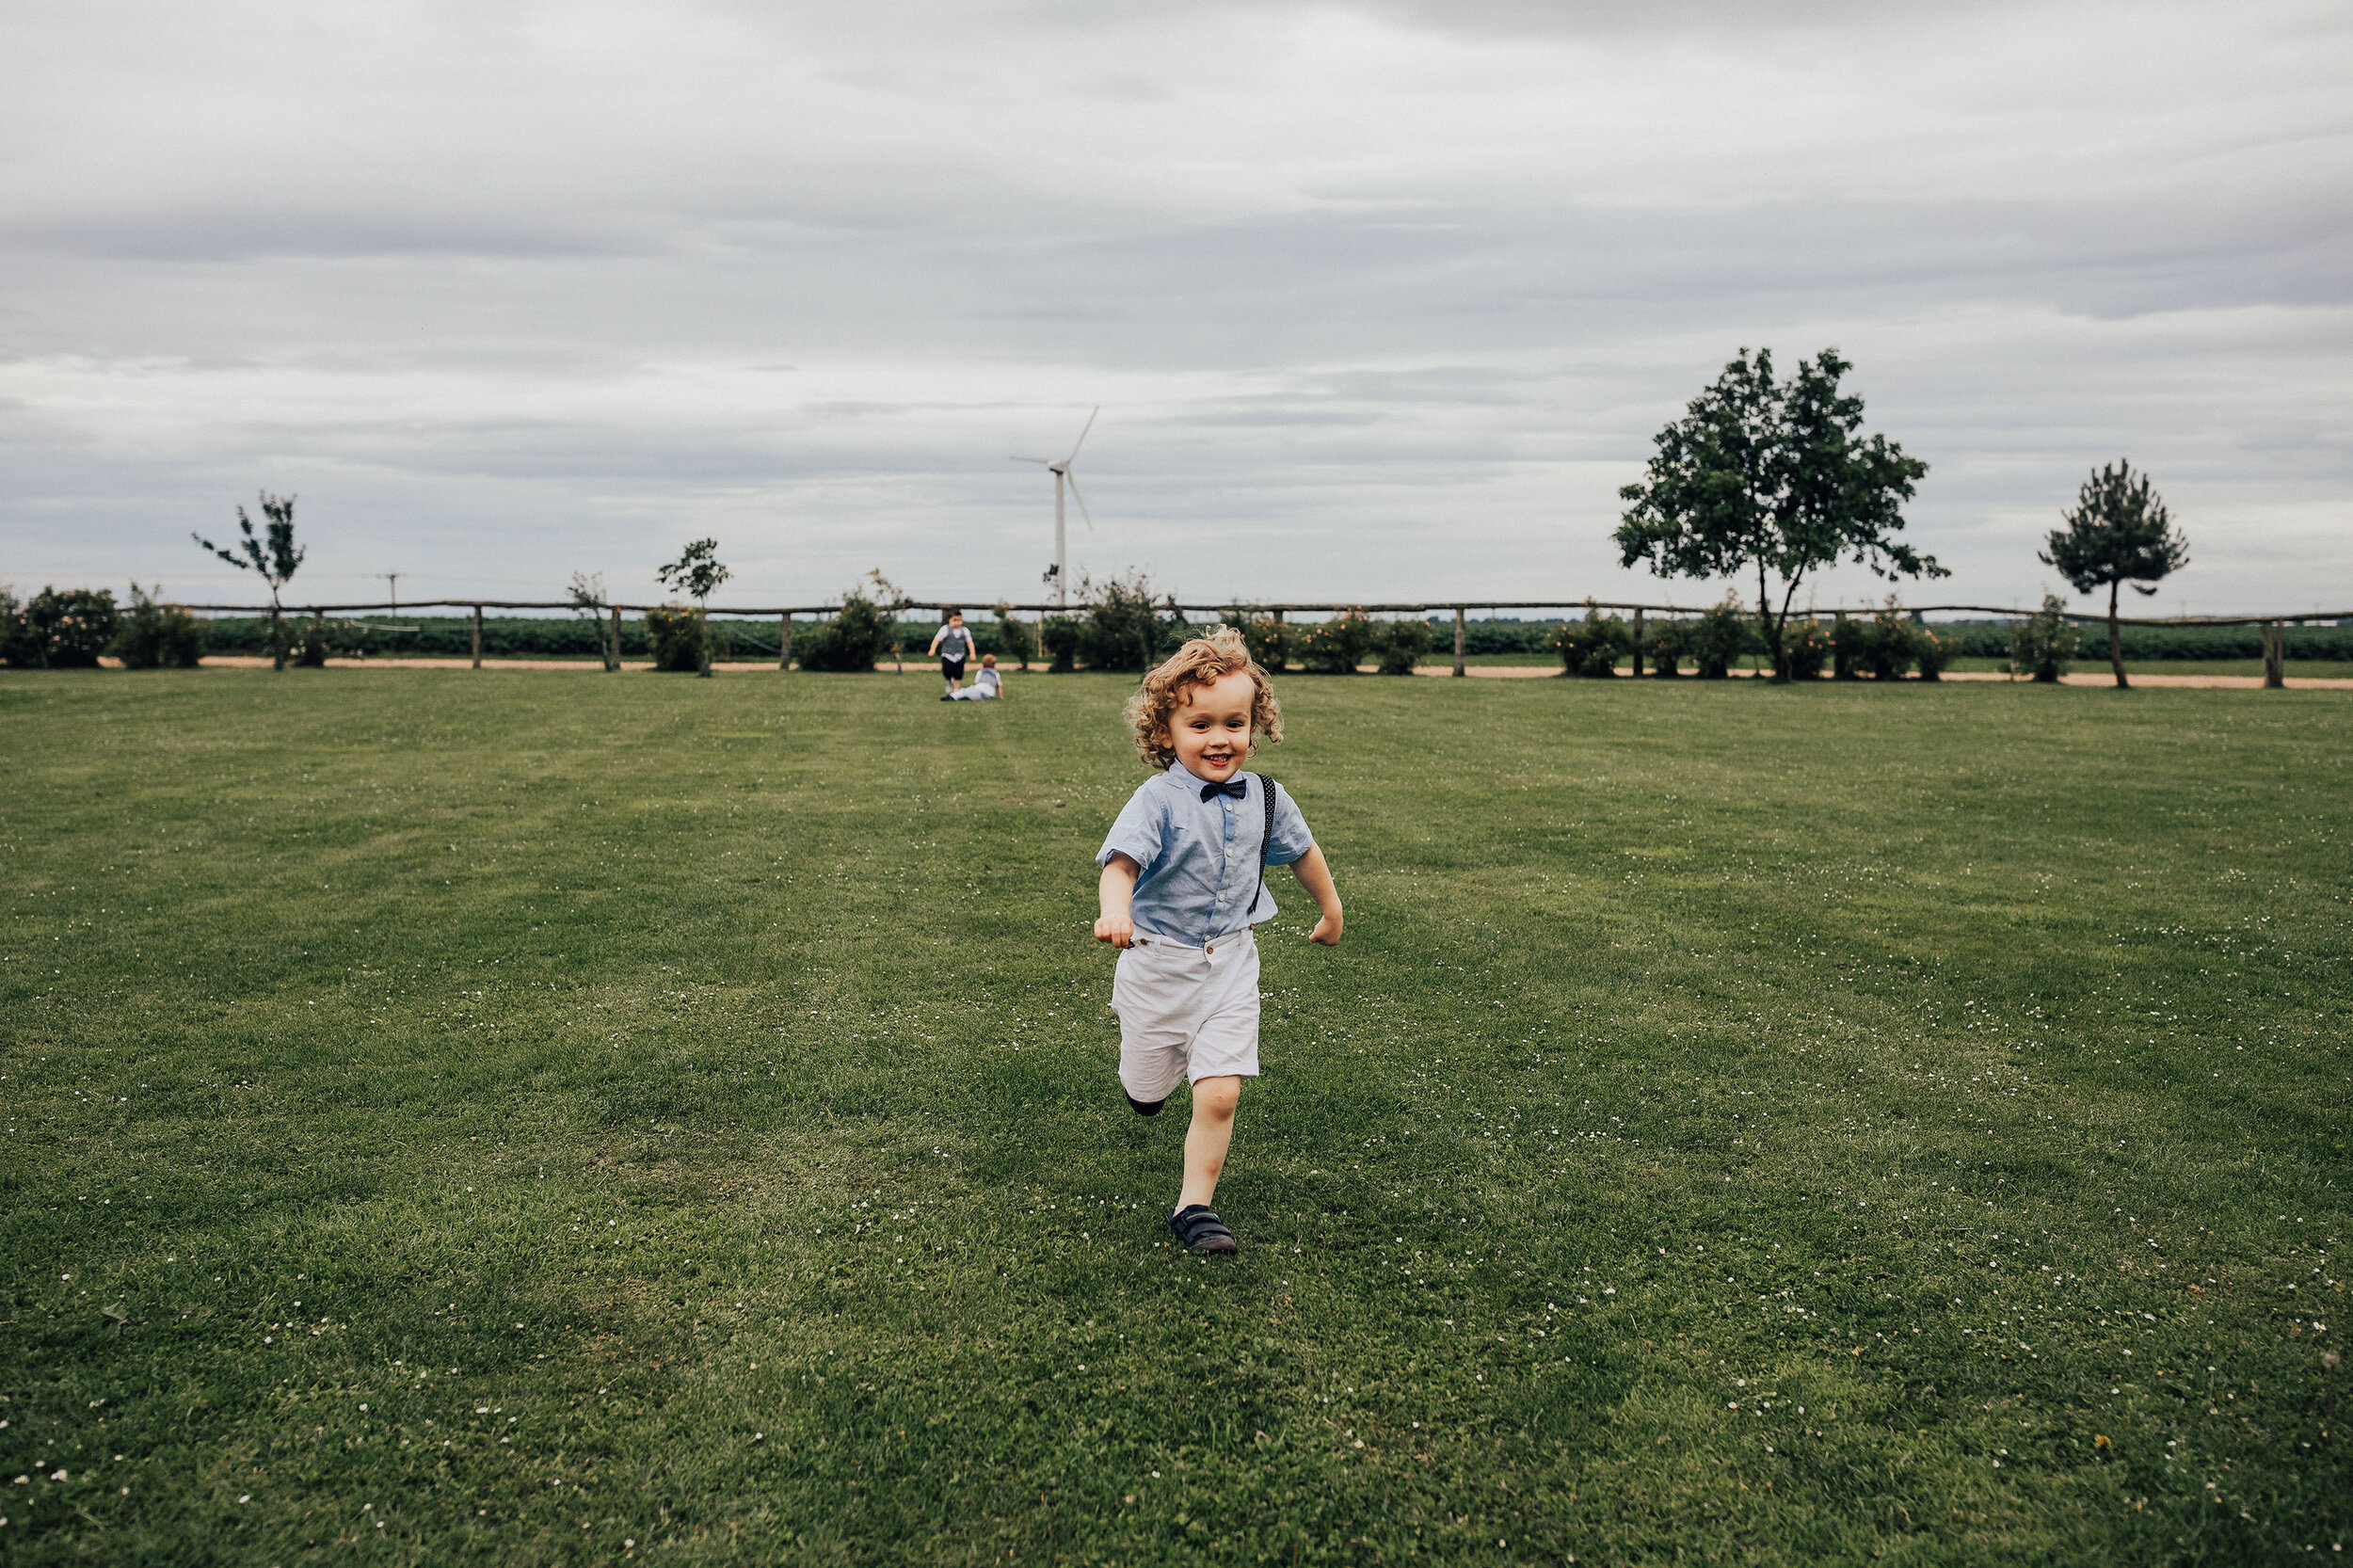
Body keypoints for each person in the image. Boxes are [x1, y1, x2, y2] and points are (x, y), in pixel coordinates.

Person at [1092, 626, 1343, 1255]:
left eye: (1234, 722)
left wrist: (1331, 907)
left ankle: (1194, 1208)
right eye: (1200, 725)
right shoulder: (1158, 800)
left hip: (1231, 961)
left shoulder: (1266, 796)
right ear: (1166, 732)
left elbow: (1302, 853)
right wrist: (1115, 913)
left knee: (1222, 1091)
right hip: (1155, 964)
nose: (1219, 738)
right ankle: (1143, 1078)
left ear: (1255, 726)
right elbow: (1120, 865)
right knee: (1148, 1089)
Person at [928, 610, 976, 698]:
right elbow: (937, 639)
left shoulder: (965, 630)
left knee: (959, 673)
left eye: (959, 620)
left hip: (960, 655)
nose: (957, 622)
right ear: (949, 620)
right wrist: (932, 649)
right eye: (955, 620)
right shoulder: (945, 629)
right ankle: (949, 681)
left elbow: (970, 642)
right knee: (947, 671)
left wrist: (972, 653)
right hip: (947, 655)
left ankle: (956, 691)